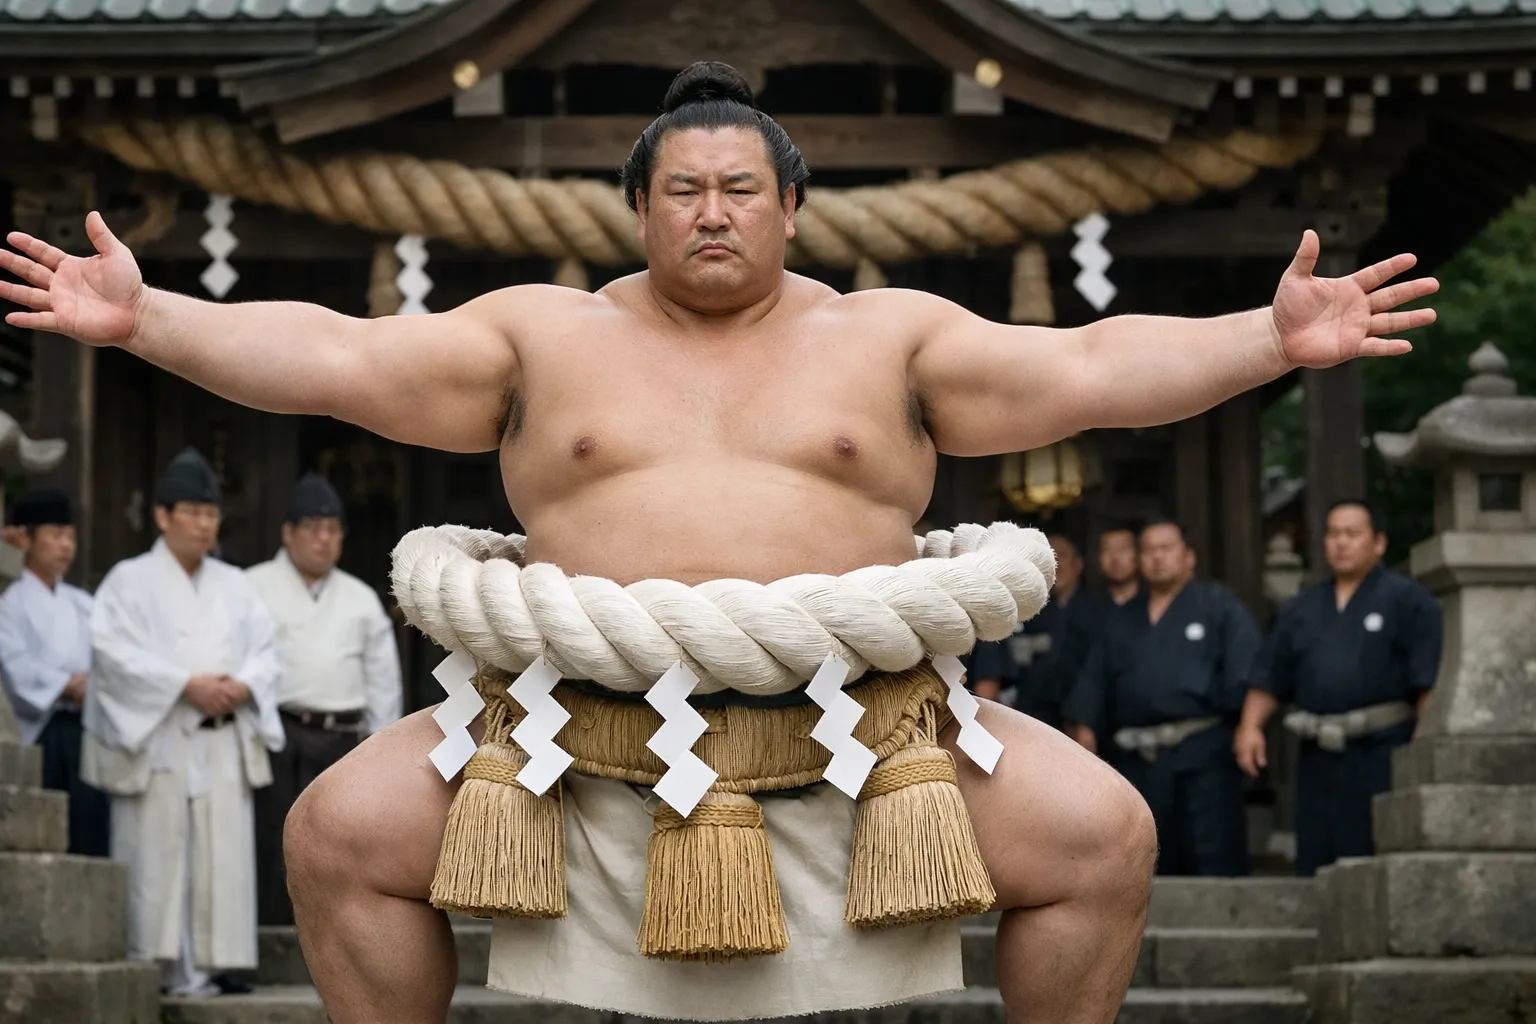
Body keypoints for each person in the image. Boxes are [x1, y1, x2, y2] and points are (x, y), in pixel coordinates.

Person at [0, 60, 1435, 1024]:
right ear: (638, 209)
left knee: (1102, 835)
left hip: (871, 729)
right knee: (337, 833)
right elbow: (336, 356)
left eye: (740, 189)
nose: (710, 211)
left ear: (792, 207)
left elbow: (1094, 365)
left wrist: (1268, 336)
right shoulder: (538, 336)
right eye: (681, 189)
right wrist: (149, 320)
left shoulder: (894, 336)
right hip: (565, 727)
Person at [79, 448, 283, 998]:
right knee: (158, 854)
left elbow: (267, 648)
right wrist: (182, 684)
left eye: (211, 513)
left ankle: (219, 963)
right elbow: (111, 653)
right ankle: (157, 965)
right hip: (161, 735)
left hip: (221, 738)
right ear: (162, 516)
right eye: (191, 511)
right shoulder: (128, 579)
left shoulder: (236, 584)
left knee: (219, 859)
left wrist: (242, 684)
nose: (203, 523)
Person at [1235, 499, 1442, 876]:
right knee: (1316, 854)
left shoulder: (1411, 601)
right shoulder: (1301, 607)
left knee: (1375, 854)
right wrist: (1250, 727)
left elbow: (1426, 683)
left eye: (1352, 534)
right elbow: (1270, 674)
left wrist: (1423, 744)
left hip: (1383, 750)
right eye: (1333, 534)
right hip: (1317, 751)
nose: (1341, 543)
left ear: (1378, 543)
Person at [246, 472, 403, 925]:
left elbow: (382, 679)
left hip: (341, 739)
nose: (324, 539)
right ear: (288, 533)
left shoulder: (359, 598)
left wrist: (379, 746)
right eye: (313, 528)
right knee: (276, 834)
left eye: (333, 530)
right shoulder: (252, 587)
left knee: (337, 840)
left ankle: (335, 929)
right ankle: (276, 930)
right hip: (278, 733)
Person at [1064, 520, 1260, 876]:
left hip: (1203, 752)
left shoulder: (1219, 608)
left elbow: (1248, 672)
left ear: (1188, 557)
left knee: (1213, 853)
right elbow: (1093, 682)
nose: (1157, 558)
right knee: (1143, 859)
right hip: (1135, 758)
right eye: (1149, 550)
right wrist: (1086, 733)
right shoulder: (1120, 619)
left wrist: (1250, 726)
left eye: (1166, 548)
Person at [0, 488, 110, 855]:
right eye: (54, 534)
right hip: (38, 727)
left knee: (88, 827)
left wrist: (91, 684)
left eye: (71, 536)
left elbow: (108, 655)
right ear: (26, 539)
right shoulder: (9, 599)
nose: (65, 545)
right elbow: (14, 662)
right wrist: (66, 683)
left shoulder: (83, 603)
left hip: (84, 725)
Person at [969, 532, 1081, 727]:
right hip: (1017, 713)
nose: (1055, 564)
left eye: (1060, 555)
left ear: (1078, 563)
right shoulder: (1017, 613)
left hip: (1063, 713)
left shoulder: (1087, 611)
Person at [1060, 524, 1142, 753]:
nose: (1115, 559)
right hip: (1092, 726)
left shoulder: (1153, 606)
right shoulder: (1084, 609)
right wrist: (1077, 720)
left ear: (1137, 555)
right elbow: (1070, 668)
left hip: (1141, 719)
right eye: (1108, 551)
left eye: (1123, 550)